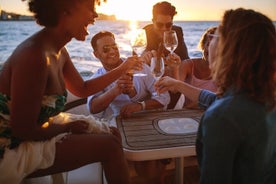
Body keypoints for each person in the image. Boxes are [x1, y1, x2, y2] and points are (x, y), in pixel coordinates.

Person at [0, 0, 143, 183]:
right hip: (10, 145)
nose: (95, 16)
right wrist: (66, 128)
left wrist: (123, 68)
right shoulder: (34, 56)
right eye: (90, 9)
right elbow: (22, 130)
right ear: (66, 11)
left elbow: (82, 89)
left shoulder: (59, 50)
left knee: (113, 133)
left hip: (37, 127)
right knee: (111, 146)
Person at [156, 8, 276, 183]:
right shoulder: (266, 97)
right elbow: (216, 100)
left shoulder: (221, 118)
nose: (210, 41)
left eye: (217, 35)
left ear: (228, 49)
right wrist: (177, 84)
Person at [87, 31, 170, 183]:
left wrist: (140, 105)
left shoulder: (140, 67)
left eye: (114, 46)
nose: (112, 51)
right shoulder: (98, 78)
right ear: (96, 54)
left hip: (148, 121)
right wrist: (115, 90)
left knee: (149, 170)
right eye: (106, 49)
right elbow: (93, 107)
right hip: (121, 128)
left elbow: (164, 97)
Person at [142, 1, 190, 109]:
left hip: (172, 76)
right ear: (153, 21)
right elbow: (138, 58)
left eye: (168, 25)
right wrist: (144, 55)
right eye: (159, 24)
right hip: (151, 79)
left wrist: (175, 64)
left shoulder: (177, 31)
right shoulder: (144, 32)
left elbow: (185, 59)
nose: (164, 29)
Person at [176, 26, 218, 108]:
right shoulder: (187, 65)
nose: (210, 50)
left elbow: (221, 100)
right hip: (187, 114)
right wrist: (173, 67)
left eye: (216, 47)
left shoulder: (225, 71)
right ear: (202, 46)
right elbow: (174, 90)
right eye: (208, 45)